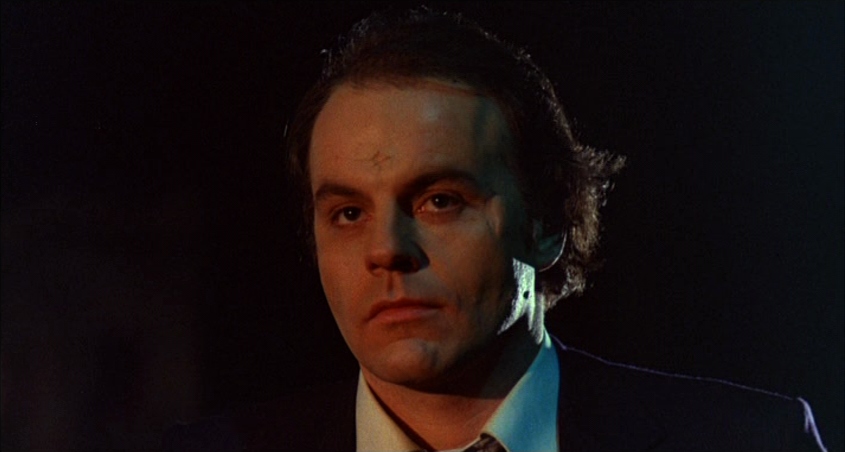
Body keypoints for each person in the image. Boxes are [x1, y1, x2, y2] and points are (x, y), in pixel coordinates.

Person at [164, 8, 827, 452]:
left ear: (546, 222)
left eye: (440, 201)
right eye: (348, 213)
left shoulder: (746, 442)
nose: (386, 250)